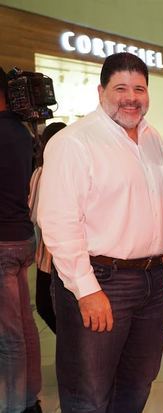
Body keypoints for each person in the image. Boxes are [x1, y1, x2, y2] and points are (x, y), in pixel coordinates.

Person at [38, 52, 163, 413]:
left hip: (151, 280)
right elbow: (58, 222)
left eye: (139, 88)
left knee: (137, 383)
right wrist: (87, 290)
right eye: (121, 87)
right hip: (100, 279)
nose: (131, 96)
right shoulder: (75, 142)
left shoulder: (152, 140)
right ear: (101, 91)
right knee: (88, 393)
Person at [0, 66, 42, 413]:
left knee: (8, 335)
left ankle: (15, 407)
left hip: (1, 242)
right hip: (22, 238)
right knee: (24, 327)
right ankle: (29, 400)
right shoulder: (21, 131)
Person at [29, 121, 67, 334]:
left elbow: (35, 214)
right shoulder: (77, 170)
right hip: (80, 251)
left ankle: (73, 348)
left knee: (45, 305)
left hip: (50, 254)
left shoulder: (42, 173)